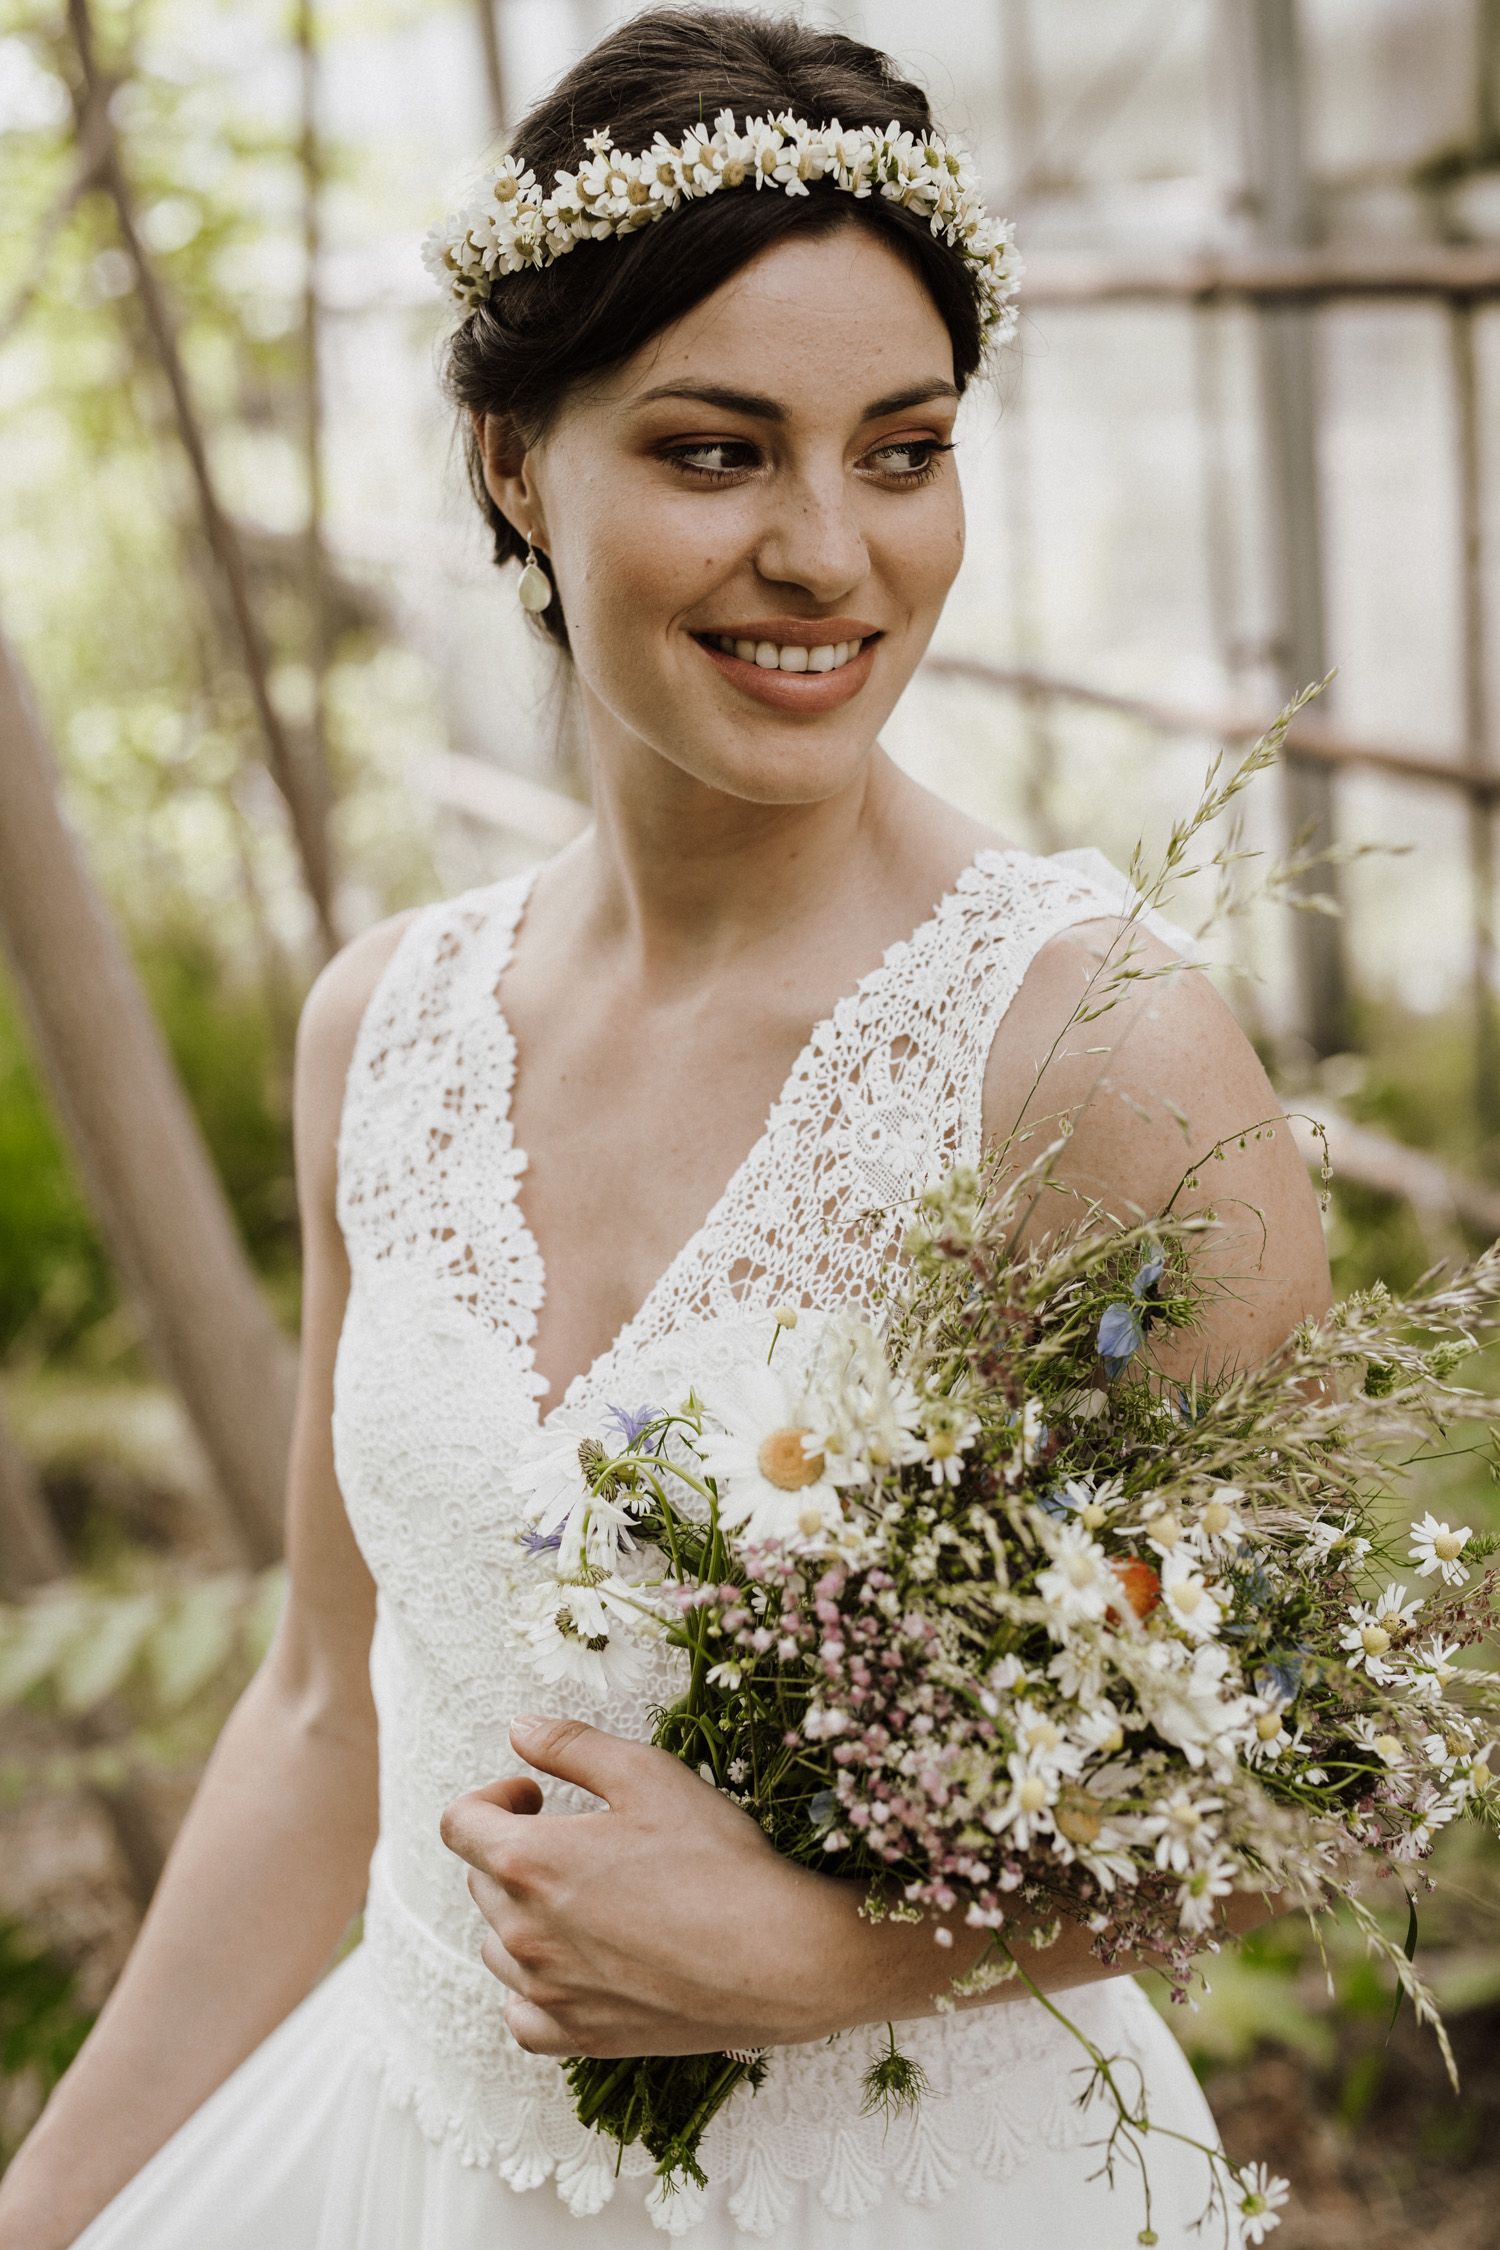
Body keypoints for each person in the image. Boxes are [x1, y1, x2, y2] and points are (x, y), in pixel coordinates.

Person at [0, 9, 1329, 2246]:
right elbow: (331, 1710)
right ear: (516, 463)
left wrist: (825, 1954)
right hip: (410, 2162)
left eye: (904, 452)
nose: (829, 553)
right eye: (719, 452)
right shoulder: (382, 1033)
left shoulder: (1096, 1055)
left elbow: (1304, 1776)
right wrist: (45, 2209)